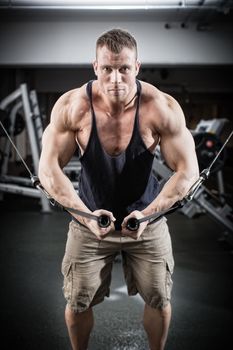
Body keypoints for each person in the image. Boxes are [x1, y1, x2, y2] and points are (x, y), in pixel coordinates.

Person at [38, 28, 199, 350]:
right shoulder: (72, 106)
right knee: (77, 301)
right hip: (88, 223)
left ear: (136, 67)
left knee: (159, 298)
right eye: (107, 68)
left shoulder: (160, 107)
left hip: (148, 222)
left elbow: (188, 171)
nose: (115, 78)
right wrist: (85, 217)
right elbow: (48, 168)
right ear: (95, 67)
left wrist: (149, 214)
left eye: (123, 68)